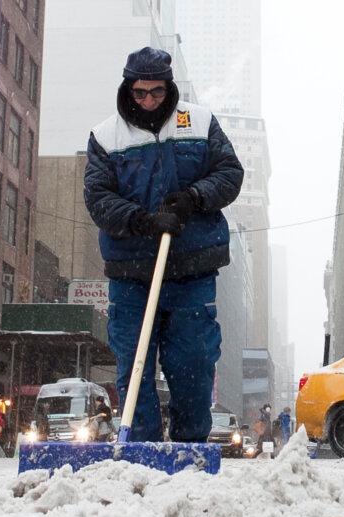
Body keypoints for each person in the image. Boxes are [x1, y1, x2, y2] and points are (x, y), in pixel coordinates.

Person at [84, 47, 244, 443]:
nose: (149, 101)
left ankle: (189, 448)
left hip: (192, 270)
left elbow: (229, 173)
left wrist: (193, 197)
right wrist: (142, 220)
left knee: (193, 362)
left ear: (169, 86)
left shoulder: (199, 122)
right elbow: (99, 198)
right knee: (134, 367)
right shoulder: (106, 137)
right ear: (128, 88)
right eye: (140, 93)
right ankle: (141, 451)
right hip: (131, 273)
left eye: (157, 91)